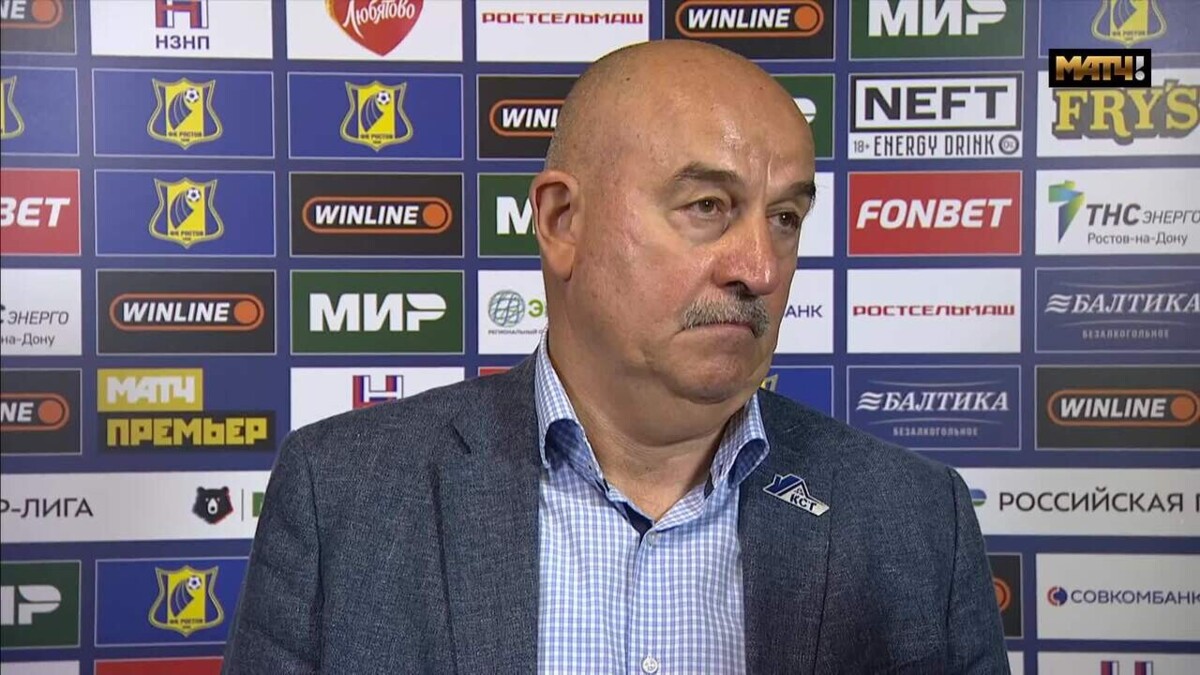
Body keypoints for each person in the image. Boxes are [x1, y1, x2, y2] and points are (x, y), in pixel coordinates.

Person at [223, 40, 1008, 674]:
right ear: (562, 221)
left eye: (784, 218)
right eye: (708, 206)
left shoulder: (915, 520)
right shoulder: (345, 498)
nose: (760, 268)